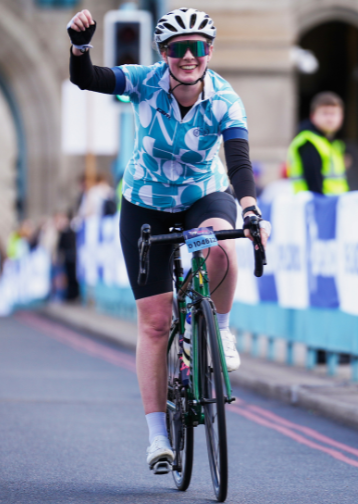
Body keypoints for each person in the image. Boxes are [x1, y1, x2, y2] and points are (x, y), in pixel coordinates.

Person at [66, 7, 270, 475]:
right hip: (145, 203)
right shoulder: (144, 81)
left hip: (204, 195)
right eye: (178, 49)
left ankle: (219, 329)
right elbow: (88, 79)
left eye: (197, 48)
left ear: (209, 52)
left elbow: (239, 161)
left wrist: (252, 207)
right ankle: (158, 437)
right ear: (163, 53)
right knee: (156, 323)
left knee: (220, 244)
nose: (188, 57)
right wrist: (80, 47)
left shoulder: (225, 99)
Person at [286, 92, 349, 195]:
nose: (330, 118)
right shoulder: (309, 141)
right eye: (325, 113)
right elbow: (314, 185)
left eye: (334, 113)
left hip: (331, 205)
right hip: (317, 206)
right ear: (313, 116)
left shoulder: (331, 143)